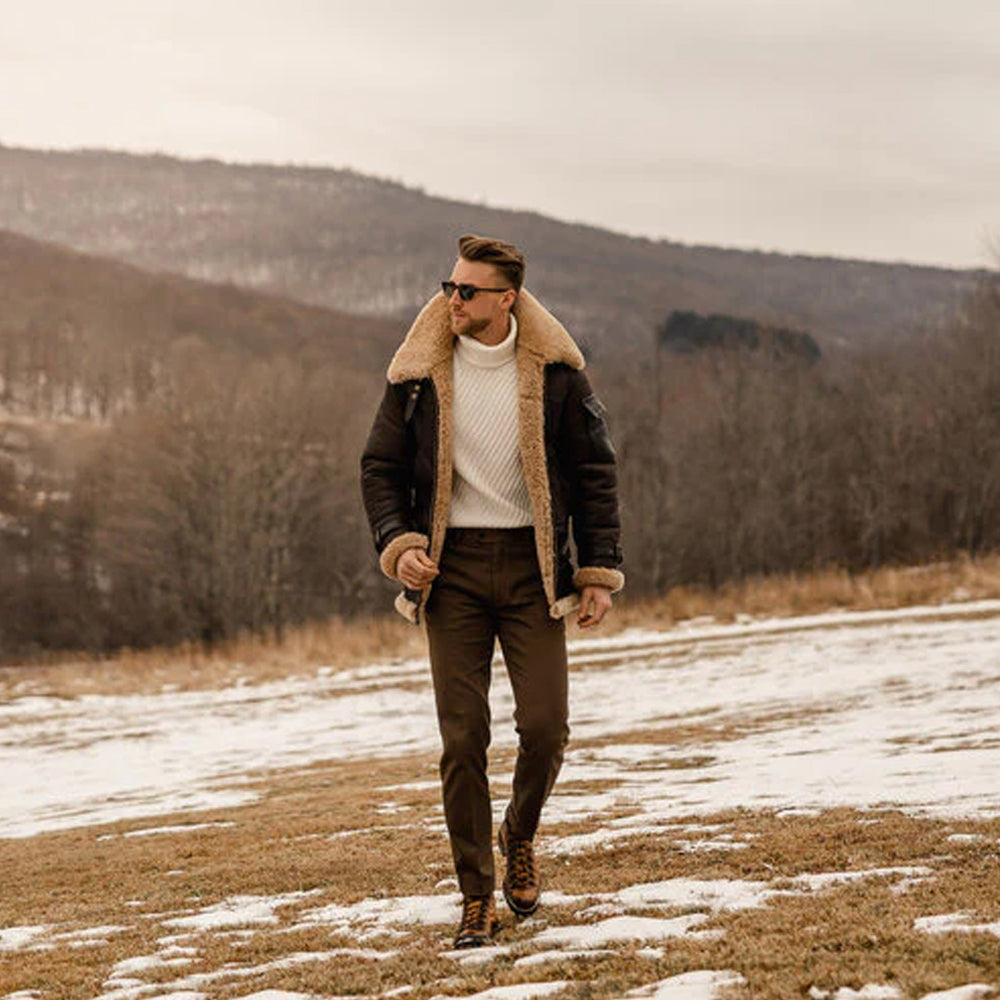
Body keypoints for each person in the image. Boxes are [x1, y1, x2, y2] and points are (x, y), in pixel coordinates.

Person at [360, 234, 624, 948]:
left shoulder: (559, 375)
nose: (452, 300)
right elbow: (379, 469)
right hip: (451, 574)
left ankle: (520, 835)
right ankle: (476, 895)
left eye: (467, 291)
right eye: (448, 287)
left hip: (533, 567)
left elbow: (594, 475)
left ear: (507, 299)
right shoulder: (416, 376)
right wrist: (401, 543)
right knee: (462, 739)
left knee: (545, 727)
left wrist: (596, 572)